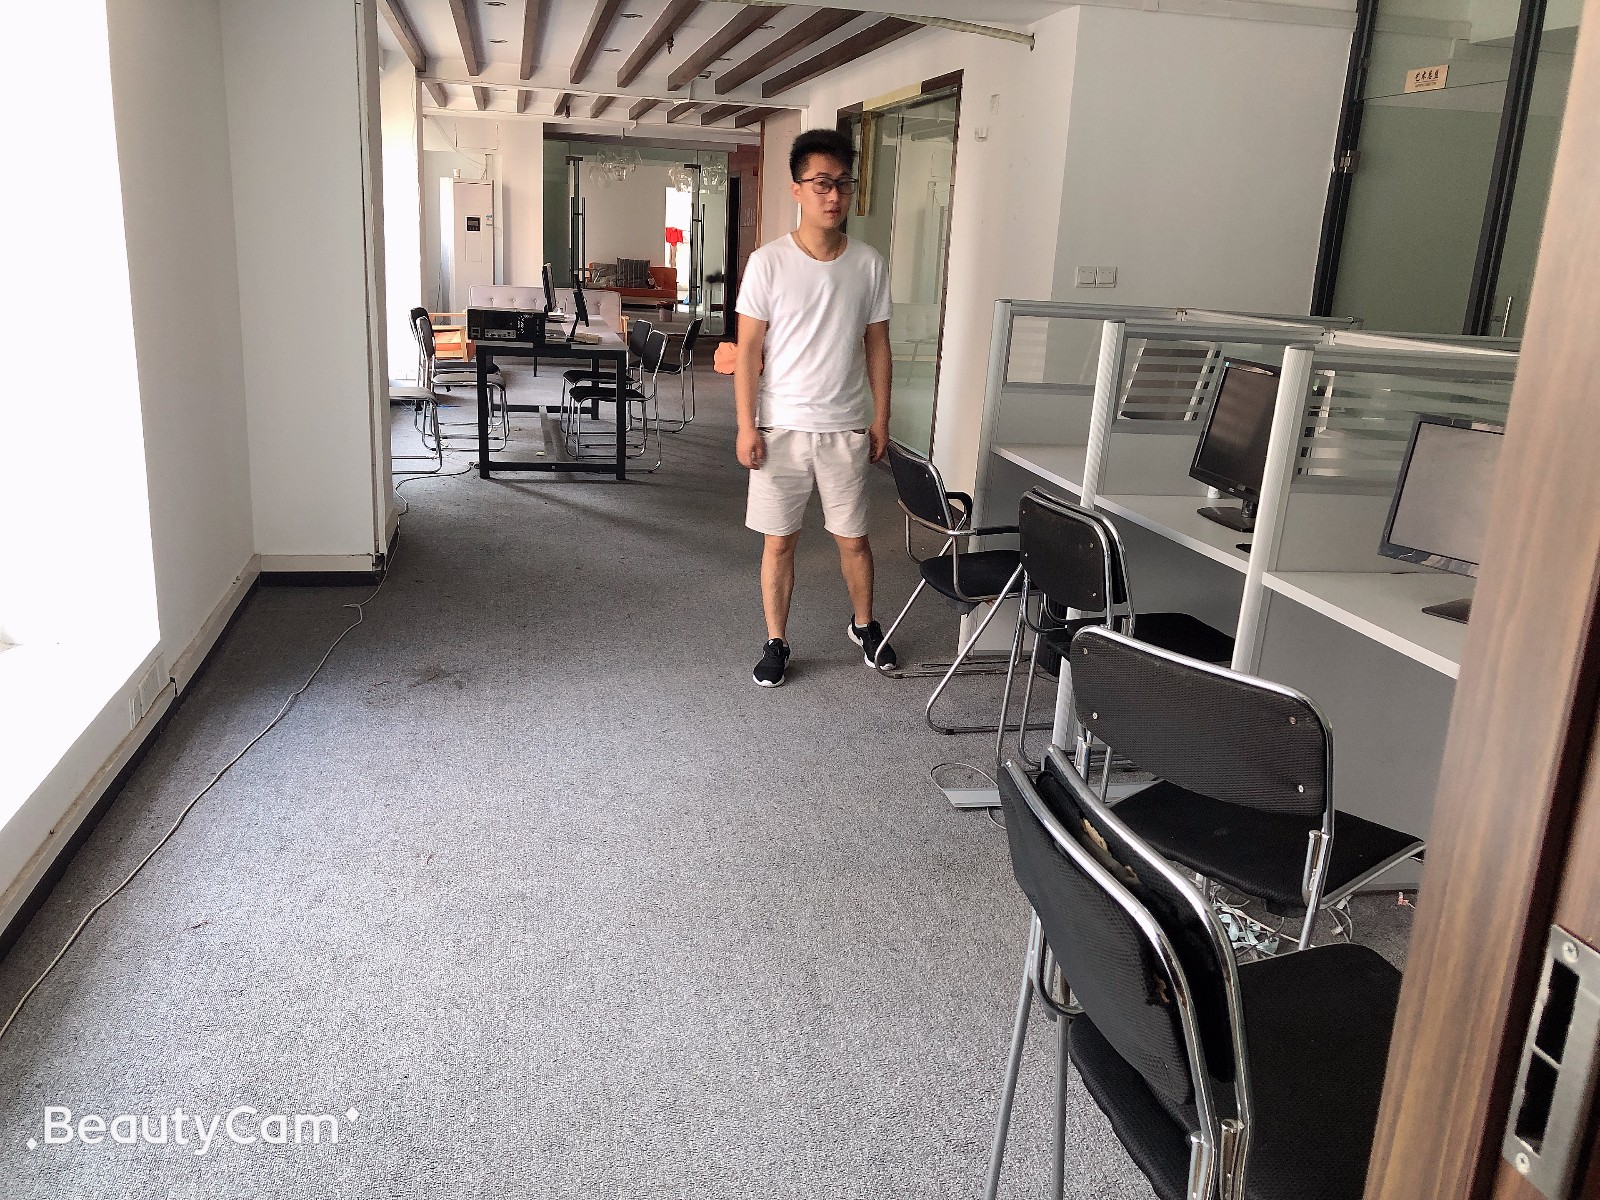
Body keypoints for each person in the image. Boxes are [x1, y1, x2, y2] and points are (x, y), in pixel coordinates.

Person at [734, 128, 896, 688]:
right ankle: (776, 640)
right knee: (779, 541)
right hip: (780, 426)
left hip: (844, 425)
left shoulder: (869, 264)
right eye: (822, 184)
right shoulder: (768, 263)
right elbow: (748, 350)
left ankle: (864, 624)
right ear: (797, 189)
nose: (834, 196)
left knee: (854, 539)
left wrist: (880, 416)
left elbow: (878, 345)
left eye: (844, 184)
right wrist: (746, 425)